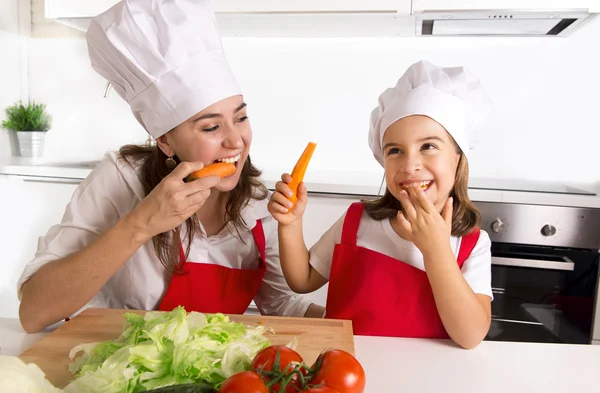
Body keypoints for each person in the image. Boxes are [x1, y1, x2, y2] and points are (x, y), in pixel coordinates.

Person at [17, 0, 324, 334]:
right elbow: (33, 312)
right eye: (211, 127)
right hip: (122, 369)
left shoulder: (259, 205)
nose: (236, 142)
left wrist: (360, 320)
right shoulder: (121, 179)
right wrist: (142, 223)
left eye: (241, 118)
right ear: (165, 141)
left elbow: (283, 306)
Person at [268, 60, 493, 349]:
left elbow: (470, 336)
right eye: (395, 151)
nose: (410, 164)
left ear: (458, 157)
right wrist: (290, 224)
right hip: (344, 372)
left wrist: (436, 248)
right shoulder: (356, 221)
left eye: (428, 146)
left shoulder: (472, 244)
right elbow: (302, 280)